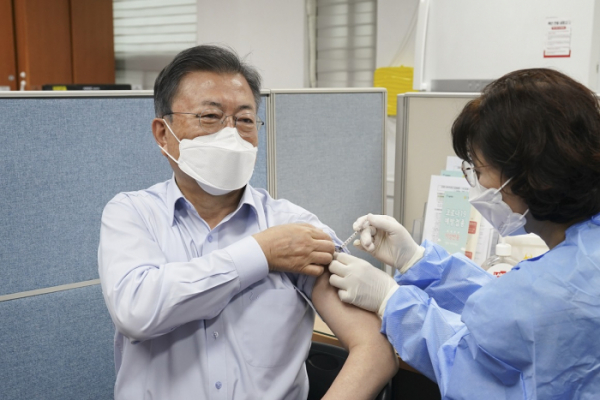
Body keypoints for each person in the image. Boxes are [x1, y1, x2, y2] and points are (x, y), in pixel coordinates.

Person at [98, 45, 398, 399]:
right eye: (210, 117)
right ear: (163, 133)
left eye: (244, 119)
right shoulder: (132, 215)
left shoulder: (294, 227)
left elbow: (375, 347)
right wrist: (261, 253)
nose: (230, 134)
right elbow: (137, 310)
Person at [328, 68, 600, 399]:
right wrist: (416, 262)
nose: (479, 185)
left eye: (480, 170)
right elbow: (509, 314)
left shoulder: (558, 290)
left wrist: (390, 300)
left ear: (530, 175)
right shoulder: (582, 254)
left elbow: (467, 365)